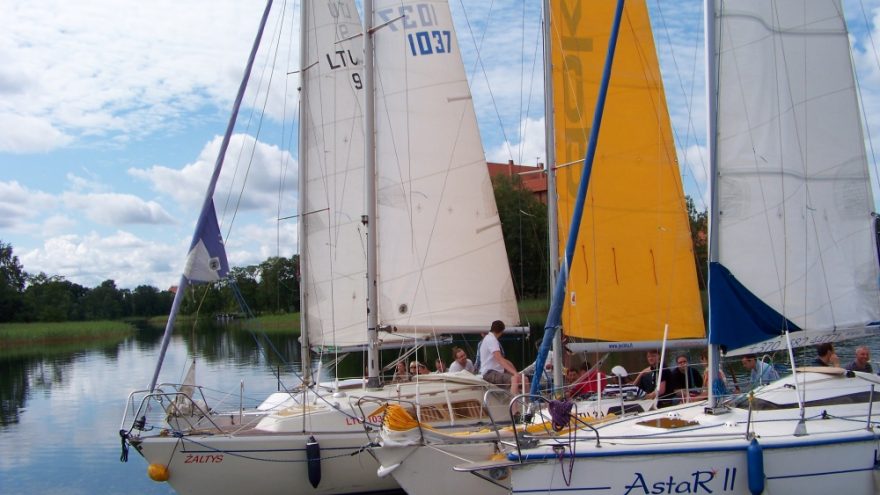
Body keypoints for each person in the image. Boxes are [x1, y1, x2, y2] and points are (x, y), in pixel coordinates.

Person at [479, 320, 528, 397]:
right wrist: (514, 373)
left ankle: (527, 402)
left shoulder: (490, 339)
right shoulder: (491, 339)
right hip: (489, 373)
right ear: (501, 331)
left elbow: (502, 360)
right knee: (514, 379)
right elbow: (499, 359)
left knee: (524, 379)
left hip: (495, 372)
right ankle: (513, 404)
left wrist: (515, 372)